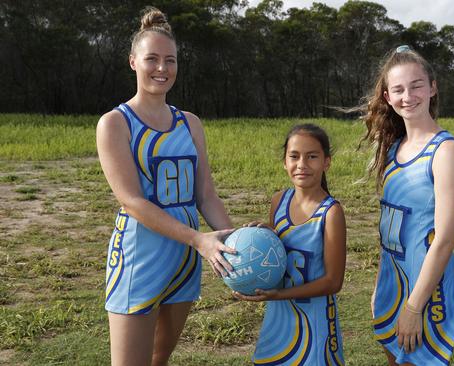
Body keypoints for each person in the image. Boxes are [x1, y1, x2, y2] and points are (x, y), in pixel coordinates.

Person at [96, 7, 235, 366]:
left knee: (159, 359)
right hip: (140, 258)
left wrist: (233, 241)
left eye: (169, 60)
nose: (162, 68)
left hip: (184, 260)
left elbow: (204, 193)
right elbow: (132, 202)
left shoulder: (190, 123)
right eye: (152, 59)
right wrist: (199, 239)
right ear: (133, 62)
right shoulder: (115, 123)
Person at [358, 45, 454, 366]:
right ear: (388, 97)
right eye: (399, 89)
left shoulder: (445, 151)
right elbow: (388, 229)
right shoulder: (392, 148)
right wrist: (380, 284)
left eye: (417, 85)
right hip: (393, 281)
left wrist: (414, 307)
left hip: (425, 289)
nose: (409, 95)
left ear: (432, 88)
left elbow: (445, 239)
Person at [233, 123, 347, 365]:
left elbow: (333, 282)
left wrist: (279, 294)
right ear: (285, 161)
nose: (302, 164)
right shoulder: (278, 201)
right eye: (294, 156)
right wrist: (267, 236)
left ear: (326, 162)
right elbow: (278, 253)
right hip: (279, 317)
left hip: (314, 319)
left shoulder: (331, 213)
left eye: (312, 157)